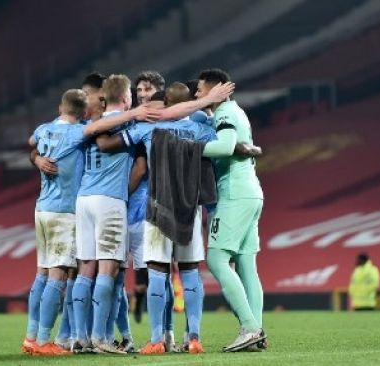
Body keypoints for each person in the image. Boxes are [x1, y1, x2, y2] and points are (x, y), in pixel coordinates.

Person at [95, 81, 237, 354]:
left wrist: (98, 133)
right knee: (190, 272)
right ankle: (193, 337)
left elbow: (109, 143)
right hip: (190, 208)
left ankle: (157, 339)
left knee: (158, 272)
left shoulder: (149, 127)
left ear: (166, 104)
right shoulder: (200, 128)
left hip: (158, 206)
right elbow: (225, 146)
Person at [22, 87, 153, 356]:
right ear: (83, 113)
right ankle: (44, 341)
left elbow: (30, 143)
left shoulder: (43, 128)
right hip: (64, 211)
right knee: (58, 276)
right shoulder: (76, 132)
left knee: (42, 274)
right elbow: (101, 129)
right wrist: (135, 113)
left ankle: (31, 336)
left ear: (60, 108)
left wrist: (37, 159)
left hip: (42, 209)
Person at [188, 69, 267, 353]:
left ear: (214, 89)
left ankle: (249, 327)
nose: (197, 95)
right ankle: (256, 330)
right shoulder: (238, 111)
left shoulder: (224, 112)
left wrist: (189, 147)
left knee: (217, 259)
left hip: (234, 194)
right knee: (247, 265)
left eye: (199, 90)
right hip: (251, 191)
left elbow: (224, 147)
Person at [131, 70, 166, 325]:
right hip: (131, 204)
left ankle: (164, 334)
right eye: (139, 90)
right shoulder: (130, 120)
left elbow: (141, 168)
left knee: (158, 268)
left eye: (148, 89)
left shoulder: (167, 120)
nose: (143, 94)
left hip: (151, 202)